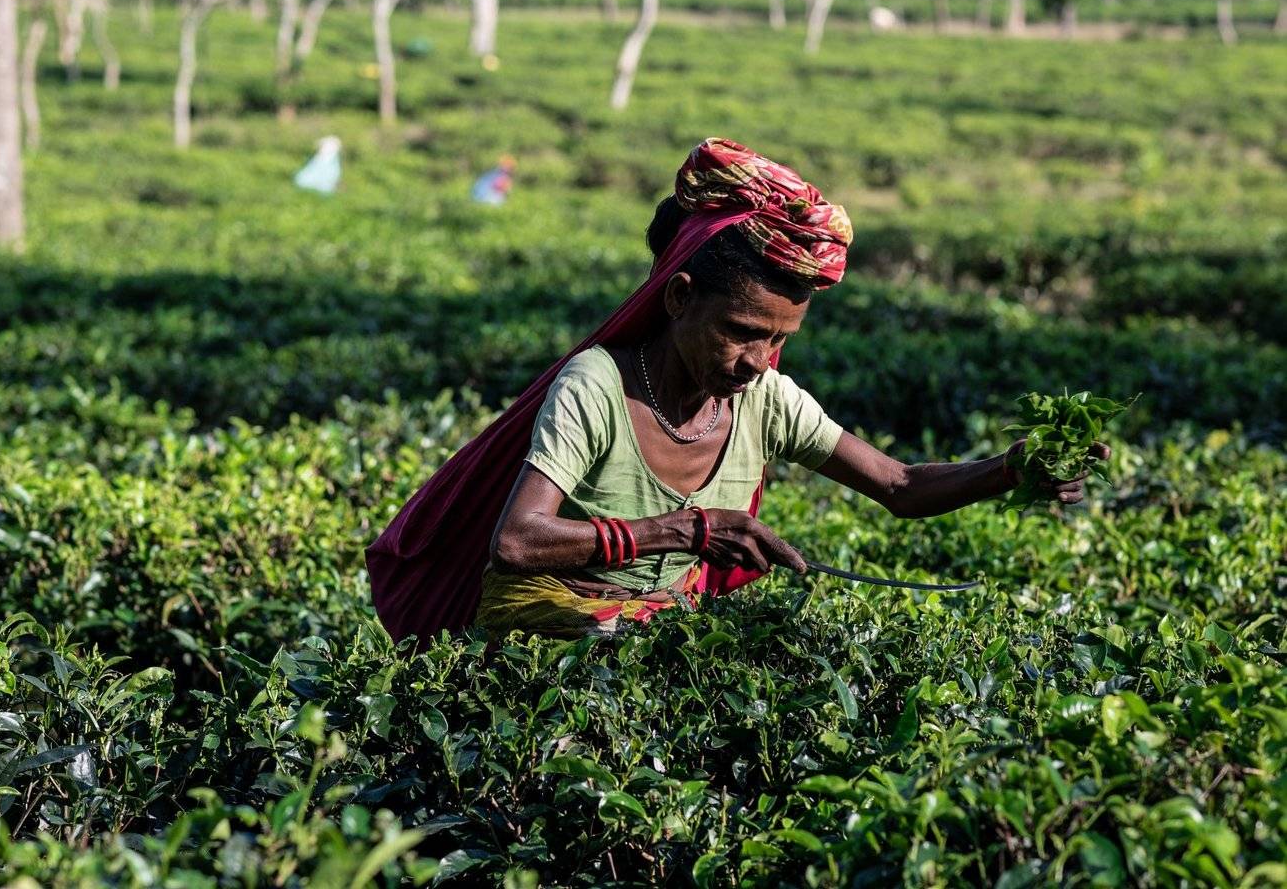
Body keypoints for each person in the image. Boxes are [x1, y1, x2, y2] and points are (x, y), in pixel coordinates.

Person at [366, 138, 1108, 642]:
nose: (759, 360)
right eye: (743, 331)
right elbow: (519, 540)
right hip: (553, 618)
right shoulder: (597, 385)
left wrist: (1009, 469)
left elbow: (902, 486)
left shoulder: (764, 398)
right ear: (680, 297)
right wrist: (685, 531)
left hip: (655, 625)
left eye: (780, 338)